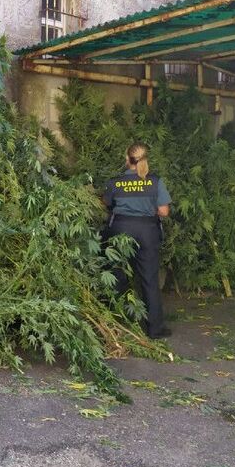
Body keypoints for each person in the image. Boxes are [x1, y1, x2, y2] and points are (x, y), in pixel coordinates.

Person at [103, 142, 172, 339]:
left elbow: (106, 204)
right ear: (145, 159)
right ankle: (155, 330)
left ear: (127, 159)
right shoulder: (155, 182)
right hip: (147, 232)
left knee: (117, 277)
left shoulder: (114, 182)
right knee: (149, 279)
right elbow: (164, 212)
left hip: (120, 231)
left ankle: (115, 326)